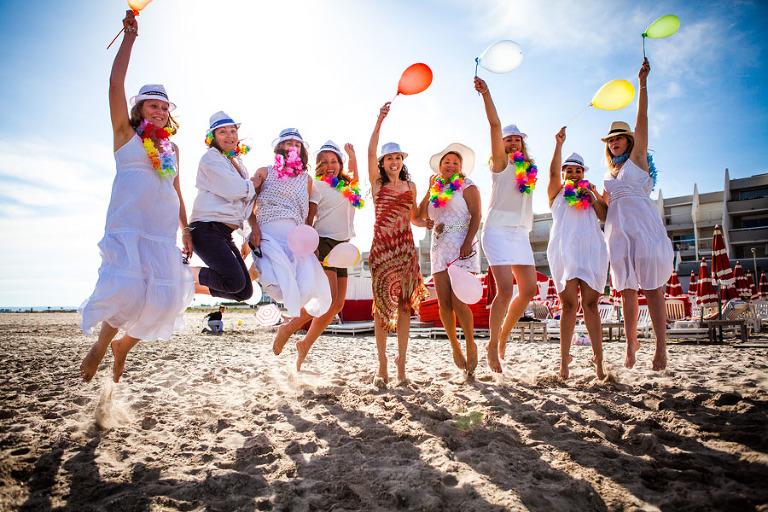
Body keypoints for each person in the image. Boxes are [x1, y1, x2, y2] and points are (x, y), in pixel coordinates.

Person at [78, 10, 194, 383]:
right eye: (152, 106)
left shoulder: (172, 149)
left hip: (161, 230)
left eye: (164, 107)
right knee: (126, 290)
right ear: (139, 109)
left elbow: (176, 188)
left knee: (163, 300)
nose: (160, 112)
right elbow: (115, 83)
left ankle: (120, 346)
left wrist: (186, 229)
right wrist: (129, 38)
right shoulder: (125, 135)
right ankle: (100, 346)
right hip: (130, 223)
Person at [601, 58, 672, 371]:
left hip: (643, 227)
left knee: (653, 286)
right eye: (611, 140)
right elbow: (604, 213)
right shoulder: (609, 176)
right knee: (626, 290)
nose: (615, 142)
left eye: (619, 138)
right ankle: (631, 345)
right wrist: (590, 198)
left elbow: (642, 118)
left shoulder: (639, 159)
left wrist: (642, 83)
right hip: (617, 231)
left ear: (629, 141)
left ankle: (661, 348)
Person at [271, 140, 363, 371]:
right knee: (328, 299)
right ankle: (288, 327)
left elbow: (356, 177)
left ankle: (305, 344)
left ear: (340, 164)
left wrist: (353, 155)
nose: (329, 165)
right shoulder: (317, 186)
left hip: (342, 246)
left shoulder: (347, 187)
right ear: (318, 165)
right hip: (323, 243)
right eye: (324, 162)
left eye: (334, 161)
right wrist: (308, 243)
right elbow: (309, 217)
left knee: (336, 304)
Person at [474, 77, 538, 373]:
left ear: (522, 143)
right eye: (508, 140)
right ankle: (491, 345)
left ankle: (502, 337)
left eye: (516, 139)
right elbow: (494, 126)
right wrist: (487, 94)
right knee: (505, 289)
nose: (512, 142)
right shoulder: (500, 165)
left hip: (520, 233)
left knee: (528, 289)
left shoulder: (528, 170)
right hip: (497, 231)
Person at [250, 128, 332, 349]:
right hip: (267, 231)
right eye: (288, 143)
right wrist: (253, 227)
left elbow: (306, 215)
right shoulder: (264, 172)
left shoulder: (306, 179)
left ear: (302, 151)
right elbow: (247, 203)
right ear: (279, 148)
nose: (292, 147)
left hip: (296, 237)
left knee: (307, 289)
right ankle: (253, 269)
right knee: (276, 286)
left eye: (297, 144)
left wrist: (310, 241)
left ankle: (286, 327)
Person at [367, 102, 429, 387]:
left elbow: (415, 217)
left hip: (405, 250)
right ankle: (382, 364)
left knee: (405, 306)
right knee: (381, 306)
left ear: (403, 161)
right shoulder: (377, 185)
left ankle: (401, 362)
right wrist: (379, 121)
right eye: (389, 158)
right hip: (381, 250)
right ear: (382, 162)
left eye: (398, 157)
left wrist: (427, 208)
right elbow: (370, 151)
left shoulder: (411, 186)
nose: (394, 161)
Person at [546, 128, 608, 380]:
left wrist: (592, 196)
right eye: (569, 170)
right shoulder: (557, 193)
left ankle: (599, 360)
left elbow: (605, 215)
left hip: (592, 251)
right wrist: (558, 144)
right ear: (563, 173)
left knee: (591, 304)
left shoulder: (591, 194)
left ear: (583, 173)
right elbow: (551, 172)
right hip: (564, 251)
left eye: (577, 170)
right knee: (569, 305)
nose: (573, 173)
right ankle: (564, 362)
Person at [418, 143, 481, 379]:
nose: (451, 165)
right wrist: (427, 190)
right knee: (443, 303)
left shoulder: (467, 185)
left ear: (460, 167)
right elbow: (421, 215)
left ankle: (471, 343)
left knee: (458, 301)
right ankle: (454, 345)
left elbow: (477, 215)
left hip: (460, 244)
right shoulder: (435, 191)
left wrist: (468, 242)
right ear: (440, 166)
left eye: (455, 162)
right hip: (438, 248)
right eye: (447, 162)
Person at [189, 111, 261, 302]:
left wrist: (246, 237)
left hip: (225, 233)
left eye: (232, 131)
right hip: (206, 228)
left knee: (244, 292)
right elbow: (235, 191)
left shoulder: (238, 163)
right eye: (222, 132)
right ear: (212, 137)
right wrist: (253, 183)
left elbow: (244, 204)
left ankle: (189, 288)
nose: (229, 136)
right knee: (234, 282)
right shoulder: (210, 159)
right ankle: (181, 273)